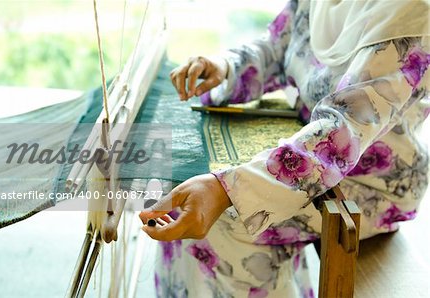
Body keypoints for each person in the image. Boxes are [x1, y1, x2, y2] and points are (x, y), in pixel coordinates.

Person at [140, 0, 430, 296]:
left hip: (370, 184)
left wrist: (227, 190)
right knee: (184, 189)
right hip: (308, 148)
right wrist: (226, 67)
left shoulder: (408, 16)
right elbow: (279, 47)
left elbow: (342, 133)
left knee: (227, 219)